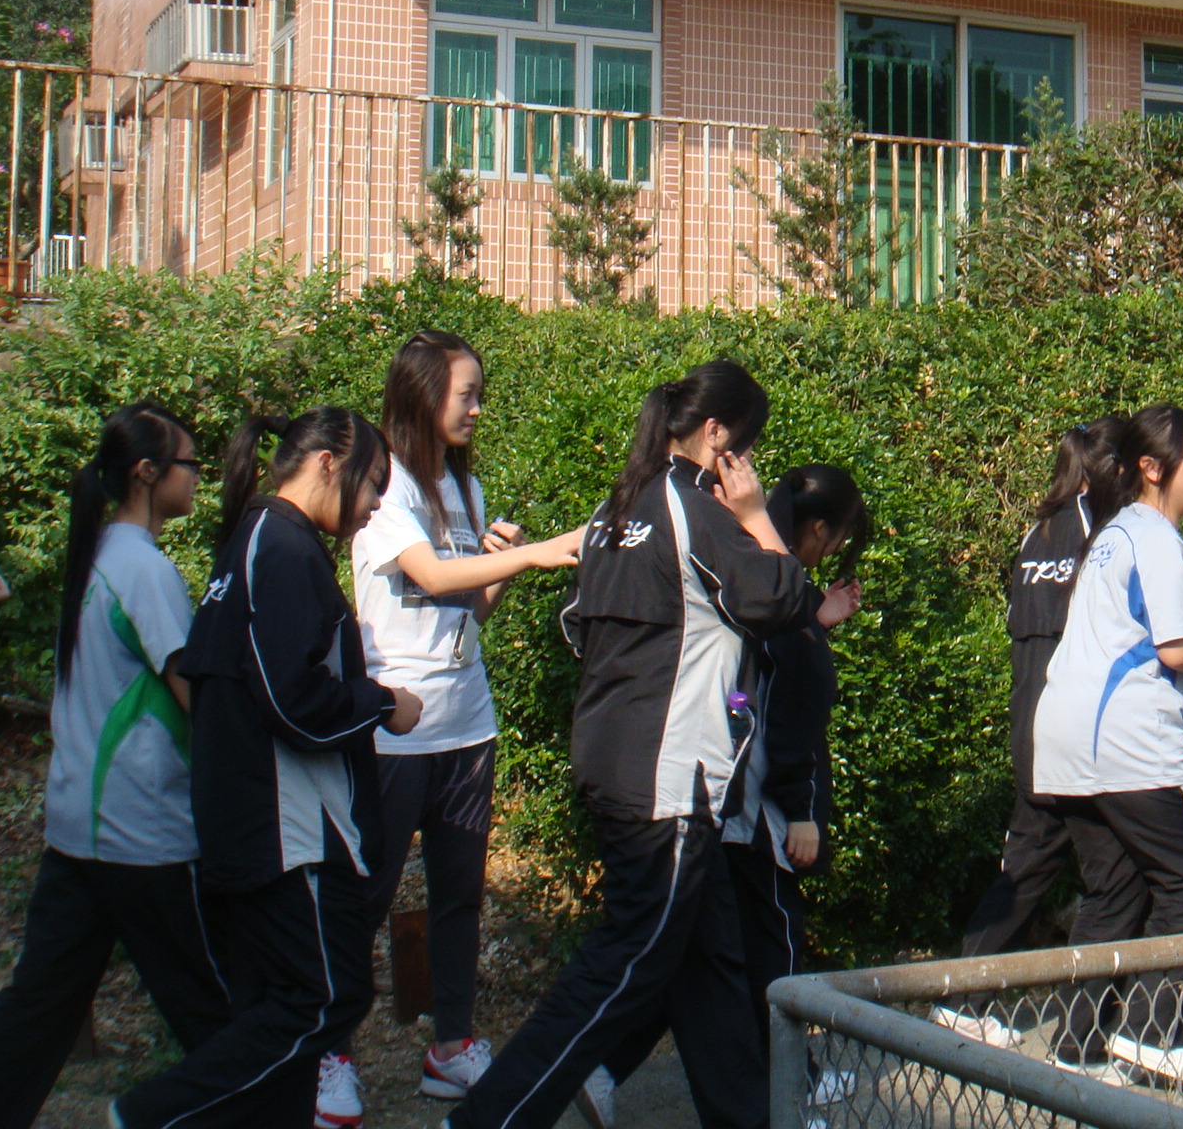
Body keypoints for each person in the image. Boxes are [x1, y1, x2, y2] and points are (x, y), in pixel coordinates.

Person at [444, 361, 848, 1129]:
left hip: (611, 758)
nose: (749, 464)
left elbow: (578, 628)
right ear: (717, 435)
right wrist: (757, 516)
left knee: (710, 963)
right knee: (624, 963)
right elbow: (787, 599)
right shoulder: (698, 509)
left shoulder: (615, 508)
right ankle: (485, 1119)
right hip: (669, 778)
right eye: (747, 447)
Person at [116, 409, 424, 1129]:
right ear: (327, 462)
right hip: (288, 834)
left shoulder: (260, 542)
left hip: (257, 827)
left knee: (279, 1008)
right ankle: (149, 1114)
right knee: (323, 1000)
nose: (376, 504)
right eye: (373, 484)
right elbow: (292, 702)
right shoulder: (281, 548)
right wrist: (383, 703)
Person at [324, 332, 583, 1123]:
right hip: (394, 729)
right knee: (364, 897)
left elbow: (464, 610)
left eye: (478, 395)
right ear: (421, 395)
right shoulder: (383, 486)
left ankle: (452, 1047)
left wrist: (500, 562)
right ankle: (330, 1053)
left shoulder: (464, 488)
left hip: (468, 722)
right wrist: (533, 556)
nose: (476, 409)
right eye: (465, 394)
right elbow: (431, 575)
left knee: (459, 896)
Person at [576, 463, 871, 1129]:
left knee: (695, 956)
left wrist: (814, 617)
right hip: (742, 801)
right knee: (772, 949)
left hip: (695, 786)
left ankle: (603, 1065)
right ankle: (789, 1089)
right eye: (835, 538)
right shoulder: (768, 578)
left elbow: (756, 673)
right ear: (817, 529)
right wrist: (803, 810)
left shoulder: (731, 570)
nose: (831, 552)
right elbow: (792, 712)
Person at [0, 404, 229, 1129]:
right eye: (189, 464)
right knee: (214, 1012)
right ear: (147, 473)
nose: (198, 477)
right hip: (144, 833)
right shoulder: (144, 570)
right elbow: (195, 695)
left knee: (37, 1010)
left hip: (79, 829)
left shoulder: (95, 556)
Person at [1032, 405, 1183, 1092]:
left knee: (1115, 894)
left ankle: (1080, 1047)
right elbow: (1178, 649)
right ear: (1152, 468)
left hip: (1068, 742)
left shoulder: (1115, 534)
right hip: (1130, 742)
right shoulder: (1155, 536)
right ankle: (1152, 1036)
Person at [934, 416, 1135, 1050]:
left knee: (1027, 865)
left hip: (1030, 720)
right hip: (1077, 731)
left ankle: (963, 998)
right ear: (1117, 469)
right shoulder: (1104, 535)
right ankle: (1092, 1029)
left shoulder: (1037, 532)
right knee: (1119, 877)